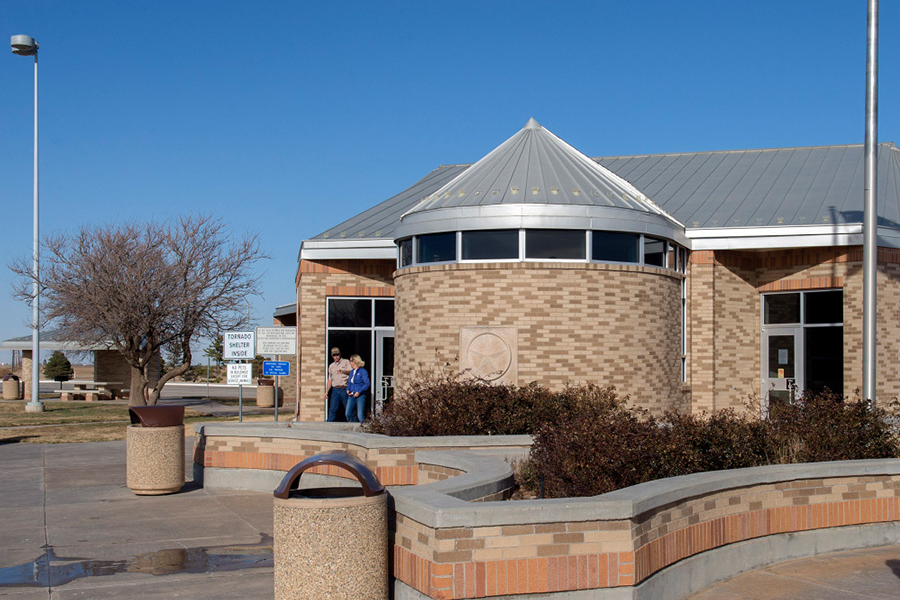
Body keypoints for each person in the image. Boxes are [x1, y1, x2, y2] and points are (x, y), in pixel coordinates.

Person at [325, 347, 352, 422]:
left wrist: (343, 371)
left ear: (340, 354)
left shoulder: (346, 362)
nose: (336, 357)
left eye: (337, 355)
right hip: (335, 390)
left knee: (348, 408)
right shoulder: (331, 366)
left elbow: (352, 372)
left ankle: (353, 423)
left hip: (344, 388)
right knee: (332, 409)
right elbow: (330, 380)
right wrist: (326, 392)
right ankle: (329, 424)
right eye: (334, 355)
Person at [345, 354, 371, 423]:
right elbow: (350, 382)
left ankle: (364, 426)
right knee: (348, 413)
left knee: (360, 415)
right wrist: (347, 389)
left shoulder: (362, 371)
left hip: (360, 396)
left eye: (351, 361)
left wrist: (359, 391)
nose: (350, 362)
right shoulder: (352, 372)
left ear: (355, 361)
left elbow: (367, 383)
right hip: (351, 395)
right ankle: (353, 425)